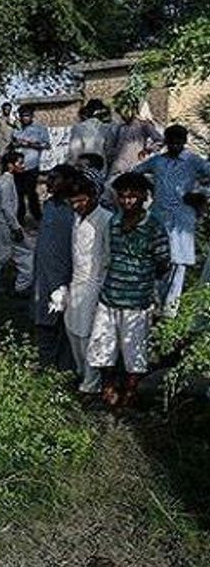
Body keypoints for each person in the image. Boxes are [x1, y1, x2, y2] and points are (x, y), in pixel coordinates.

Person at [87, 172, 169, 408]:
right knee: (104, 346)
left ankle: (131, 393)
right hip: (109, 296)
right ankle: (108, 390)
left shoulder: (154, 226)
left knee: (135, 352)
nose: (127, 201)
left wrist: (142, 279)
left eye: (133, 197)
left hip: (137, 301)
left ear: (144, 197)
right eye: (122, 197)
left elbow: (163, 261)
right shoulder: (113, 222)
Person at [127, 124, 210, 316]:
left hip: (182, 220)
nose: (175, 145)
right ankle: (153, 309)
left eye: (179, 141)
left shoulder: (193, 160)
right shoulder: (158, 161)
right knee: (158, 261)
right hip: (159, 218)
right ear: (166, 141)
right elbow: (135, 172)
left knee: (178, 265)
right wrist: (150, 186)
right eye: (171, 141)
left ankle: (170, 313)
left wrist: (200, 194)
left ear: (184, 141)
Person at [54, 172, 113, 395]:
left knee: (89, 335)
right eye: (73, 202)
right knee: (73, 330)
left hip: (95, 285)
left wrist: (103, 290)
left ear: (93, 197)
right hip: (76, 284)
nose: (77, 205)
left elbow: (108, 257)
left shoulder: (105, 219)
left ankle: (91, 383)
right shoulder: (76, 219)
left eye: (81, 200)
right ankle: (82, 373)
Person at [32, 165, 76, 369]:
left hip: (65, 276)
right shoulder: (50, 206)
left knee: (64, 321)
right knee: (44, 319)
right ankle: (46, 364)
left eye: (55, 179)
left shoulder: (75, 210)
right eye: (49, 178)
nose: (50, 183)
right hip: (43, 274)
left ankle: (64, 366)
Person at [0, 151, 33, 299]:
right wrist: (15, 227)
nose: (22, 166)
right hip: (5, 226)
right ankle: (20, 285)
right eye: (19, 163)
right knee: (24, 253)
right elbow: (6, 208)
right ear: (10, 165)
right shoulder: (5, 183)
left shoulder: (3, 181)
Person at [10, 107, 51, 223]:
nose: (25, 118)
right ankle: (20, 218)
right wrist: (15, 144)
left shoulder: (40, 129)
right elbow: (12, 144)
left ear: (32, 116)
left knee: (31, 192)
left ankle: (37, 217)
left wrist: (30, 144)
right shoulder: (16, 129)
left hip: (31, 165)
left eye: (27, 115)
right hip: (17, 167)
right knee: (18, 194)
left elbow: (47, 145)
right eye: (23, 115)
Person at [109, 102, 162, 176]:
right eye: (120, 112)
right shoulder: (121, 128)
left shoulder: (144, 125)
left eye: (124, 112)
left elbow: (160, 141)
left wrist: (147, 150)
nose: (122, 115)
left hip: (134, 165)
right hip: (118, 166)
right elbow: (112, 145)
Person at [67, 99, 113, 165]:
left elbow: (73, 152)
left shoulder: (78, 127)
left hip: (83, 165)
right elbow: (110, 151)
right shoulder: (108, 128)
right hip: (101, 166)